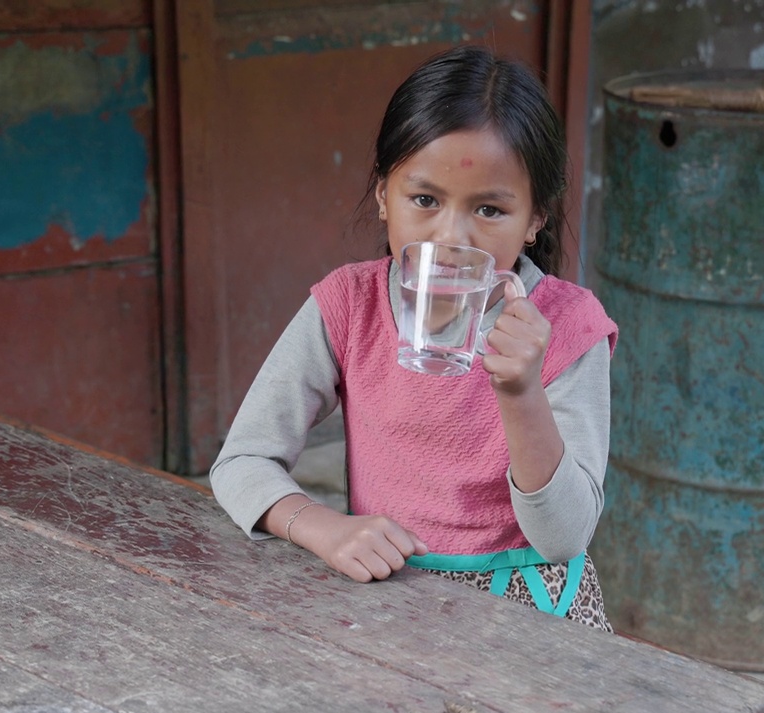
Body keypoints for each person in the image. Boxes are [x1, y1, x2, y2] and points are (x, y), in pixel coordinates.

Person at [209, 44, 618, 630]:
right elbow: (244, 459)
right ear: (383, 194)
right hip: (384, 605)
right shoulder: (350, 306)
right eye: (424, 200)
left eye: (491, 210)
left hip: (534, 619)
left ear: (535, 219)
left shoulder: (568, 326)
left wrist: (522, 392)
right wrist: (323, 528)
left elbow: (563, 537)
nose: (451, 235)